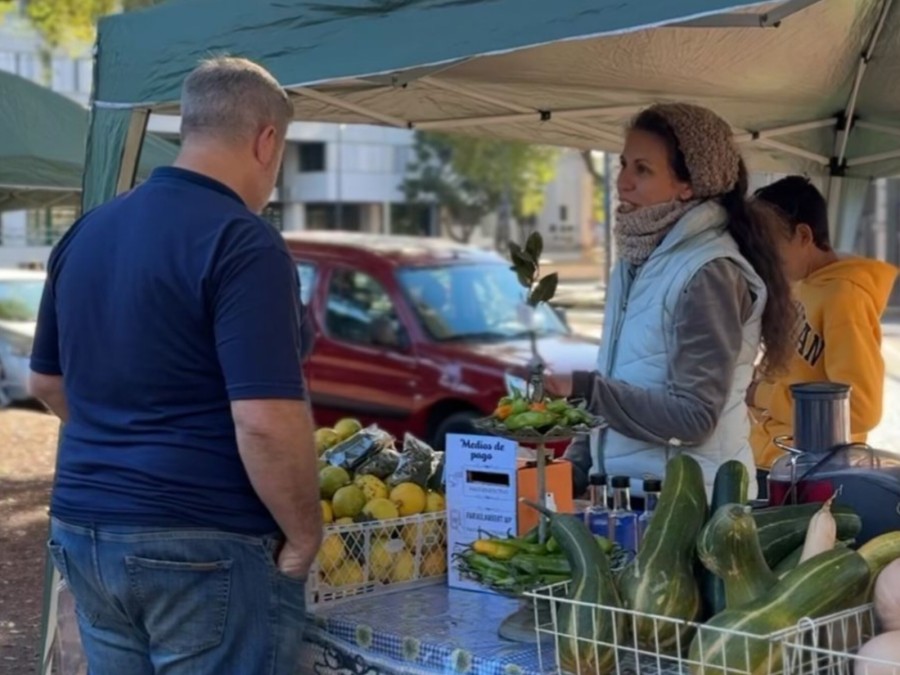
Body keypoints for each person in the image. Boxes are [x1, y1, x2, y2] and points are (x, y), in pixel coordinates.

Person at [28, 57, 321, 675]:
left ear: (189, 127)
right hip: (202, 539)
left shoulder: (87, 232)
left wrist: (123, 442)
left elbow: (46, 382)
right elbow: (265, 421)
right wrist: (302, 535)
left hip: (84, 527)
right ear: (266, 141)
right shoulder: (244, 242)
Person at [563, 102, 796, 501]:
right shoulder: (638, 261)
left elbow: (694, 417)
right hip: (630, 500)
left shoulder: (709, 272)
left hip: (691, 510)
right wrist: (576, 465)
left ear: (689, 185)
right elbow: (623, 382)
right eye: (622, 165)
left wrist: (587, 391)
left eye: (643, 169)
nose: (623, 183)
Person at [748, 175, 898, 493]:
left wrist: (761, 395)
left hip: (809, 472)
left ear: (803, 235)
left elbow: (860, 408)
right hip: (775, 460)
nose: (763, 258)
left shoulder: (845, 295)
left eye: (769, 246)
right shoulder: (804, 286)